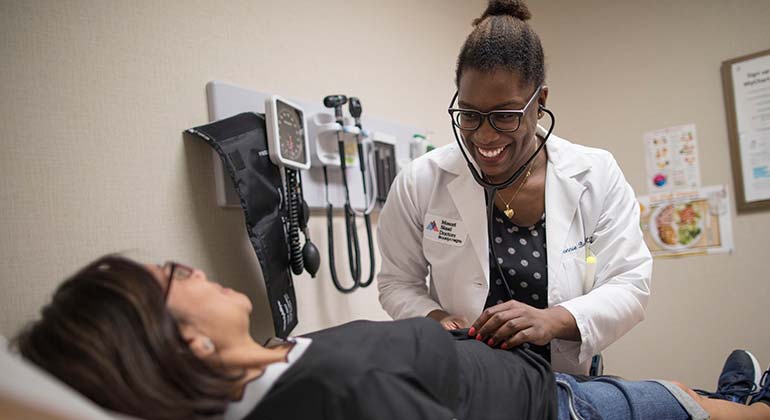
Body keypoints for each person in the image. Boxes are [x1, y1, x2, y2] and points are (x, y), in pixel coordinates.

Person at [12, 255, 770, 420]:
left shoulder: (288, 354)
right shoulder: (328, 396)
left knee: (689, 396)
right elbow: (395, 282)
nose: (203, 268)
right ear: (184, 345)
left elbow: (631, 278)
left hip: (551, 381)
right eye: (179, 274)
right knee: (690, 407)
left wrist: (437, 330)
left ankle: (732, 392)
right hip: (562, 415)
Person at [376, 0, 651, 374]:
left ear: (540, 103)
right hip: (467, 378)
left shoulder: (594, 173)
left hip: (565, 380)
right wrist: (435, 318)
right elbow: (397, 282)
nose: (484, 135)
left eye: (505, 115)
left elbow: (630, 283)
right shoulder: (421, 180)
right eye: (470, 114)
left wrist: (552, 320)